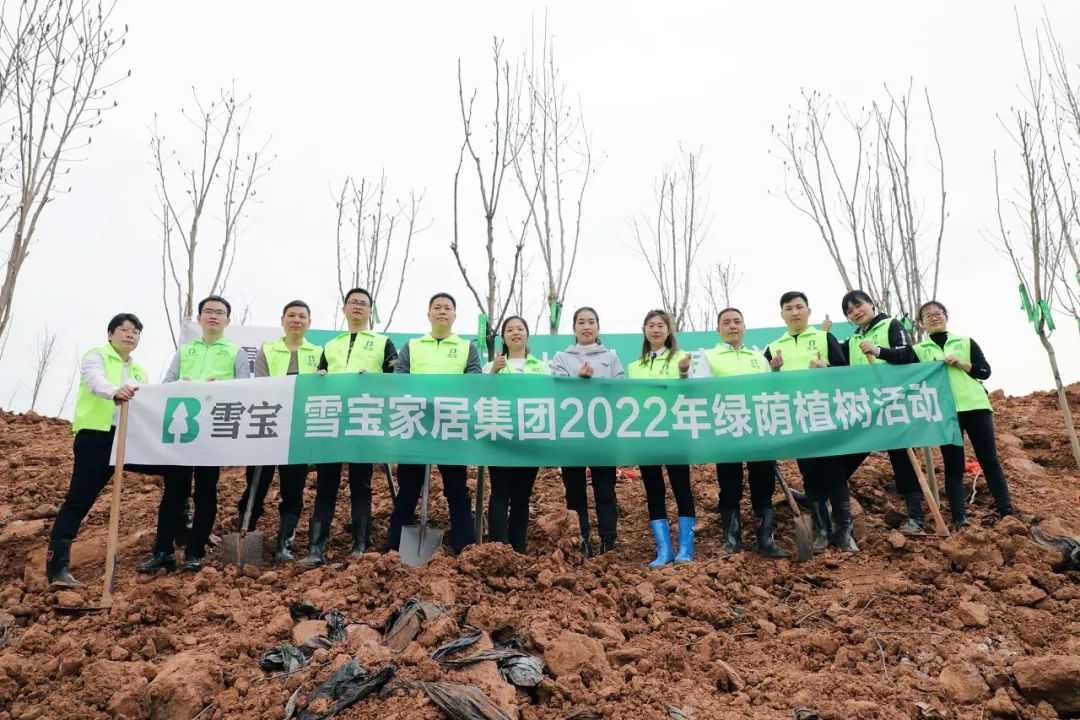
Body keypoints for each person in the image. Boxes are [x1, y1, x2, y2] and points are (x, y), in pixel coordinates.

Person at [138, 295, 251, 574]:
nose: (213, 316)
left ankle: (194, 553)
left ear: (228, 320)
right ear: (199, 318)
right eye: (208, 311)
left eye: (219, 312)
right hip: (181, 432)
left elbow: (246, 389)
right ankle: (163, 552)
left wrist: (222, 385)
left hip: (213, 433)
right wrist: (180, 384)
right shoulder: (185, 351)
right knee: (174, 493)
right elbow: (165, 384)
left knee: (205, 491)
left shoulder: (236, 352)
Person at [45, 314, 148, 588]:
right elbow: (96, 382)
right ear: (110, 334)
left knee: (174, 470)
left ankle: (172, 541)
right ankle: (57, 567)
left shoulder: (140, 372)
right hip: (96, 437)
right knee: (80, 499)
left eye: (135, 332)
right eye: (124, 330)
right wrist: (116, 391)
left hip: (128, 439)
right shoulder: (97, 356)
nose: (130, 335)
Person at [298, 288, 398, 569]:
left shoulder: (384, 343)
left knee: (361, 483)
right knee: (326, 484)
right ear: (344, 308)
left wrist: (375, 378)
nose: (358, 307)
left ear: (370, 311)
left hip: (364, 419)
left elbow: (396, 379)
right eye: (353, 302)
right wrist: (319, 377)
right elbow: (319, 376)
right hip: (332, 420)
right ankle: (316, 549)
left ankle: (360, 546)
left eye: (363, 303)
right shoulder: (331, 345)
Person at [384, 292, 482, 554]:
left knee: (457, 488)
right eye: (437, 307)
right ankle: (394, 546)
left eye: (447, 308)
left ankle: (465, 546)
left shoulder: (467, 347)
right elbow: (400, 377)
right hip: (415, 426)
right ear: (428, 314)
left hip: (451, 426)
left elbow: (474, 379)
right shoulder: (412, 346)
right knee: (408, 488)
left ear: (454, 315)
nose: (442, 311)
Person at [763, 291, 858, 553]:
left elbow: (845, 373)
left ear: (809, 311)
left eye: (799, 307)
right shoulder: (773, 347)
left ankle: (845, 531)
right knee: (810, 474)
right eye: (789, 308)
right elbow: (765, 388)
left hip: (827, 416)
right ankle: (823, 531)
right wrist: (774, 371)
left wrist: (826, 369)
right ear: (782, 314)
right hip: (796, 420)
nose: (795, 312)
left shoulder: (824, 338)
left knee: (835, 473)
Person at [913, 300, 1014, 526]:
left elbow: (985, 371)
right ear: (921, 324)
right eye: (928, 316)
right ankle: (959, 518)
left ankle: (1007, 512)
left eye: (938, 313)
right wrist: (877, 351)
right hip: (945, 412)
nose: (934, 317)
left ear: (946, 316)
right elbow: (899, 361)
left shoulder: (965, 342)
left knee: (989, 461)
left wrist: (961, 363)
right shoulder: (919, 351)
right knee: (953, 466)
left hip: (976, 406)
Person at [235, 300, 319, 563]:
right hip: (268, 425)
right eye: (291, 315)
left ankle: (285, 543)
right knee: (256, 483)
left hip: (299, 431)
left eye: (302, 316)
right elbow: (262, 383)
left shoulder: (318, 352)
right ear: (282, 320)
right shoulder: (268, 349)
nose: (296, 320)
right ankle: (245, 531)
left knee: (293, 488)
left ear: (309, 323)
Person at [701, 307, 788, 559]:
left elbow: (769, 391)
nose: (732, 326)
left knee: (763, 483)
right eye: (726, 322)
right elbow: (702, 391)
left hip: (759, 429)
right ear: (718, 330)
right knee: (730, 486)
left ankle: (765, 539)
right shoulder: (709, 357)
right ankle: (732, 541)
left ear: (744, 327)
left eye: (737, 321)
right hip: (726, 429)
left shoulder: (758, 358)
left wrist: (775, 372)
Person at [838, 290, 924, 533]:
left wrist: (879, 351)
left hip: (893, 403)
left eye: (859, 305)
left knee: (903, 458)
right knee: (849, 452)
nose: (856, 312)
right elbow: (842, 368)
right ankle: (824, 492)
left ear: (871, 304)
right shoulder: (853, 340)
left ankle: (916, 517)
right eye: (850, 311)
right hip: (866, 407)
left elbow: (908, 354)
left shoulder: (891, 325)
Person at [549, 307, 626, 557]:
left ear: (598, 327)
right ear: (574, 328)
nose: (586, 326)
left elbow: (620, 389)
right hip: (571, 434)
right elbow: (556, 389)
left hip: (603, 433)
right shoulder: (561, 358)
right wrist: (577, 379)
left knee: (605, 490)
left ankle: (608, 539)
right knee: (574, 491)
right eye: (581, 322)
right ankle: (581, 539)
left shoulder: (610, 358)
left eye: (591, 321)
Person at [626, 310, 696, 568]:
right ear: (644, 330)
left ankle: (686, 549)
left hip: (675, 433)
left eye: (660, 325)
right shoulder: (634, 366)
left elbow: (692, 391)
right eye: (651, 325)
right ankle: (664, 550)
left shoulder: (681, 358)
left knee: (681, 487)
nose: (655, 330)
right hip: (646, 436)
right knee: (654, 490)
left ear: (669, 331)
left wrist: (684, 373)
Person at [483, 315, 549, 553]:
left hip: (530, 438)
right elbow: (479, 396)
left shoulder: (542, 367)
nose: (515, 333)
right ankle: (498, 548)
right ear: (503, 337)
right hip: (500, 436)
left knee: (522, 496)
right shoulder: (492, 366)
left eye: (520, 328)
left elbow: (548, 398)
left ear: (527, 335)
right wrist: (493, 372)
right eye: (510, 329)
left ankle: (518, 549)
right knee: (500, 493)